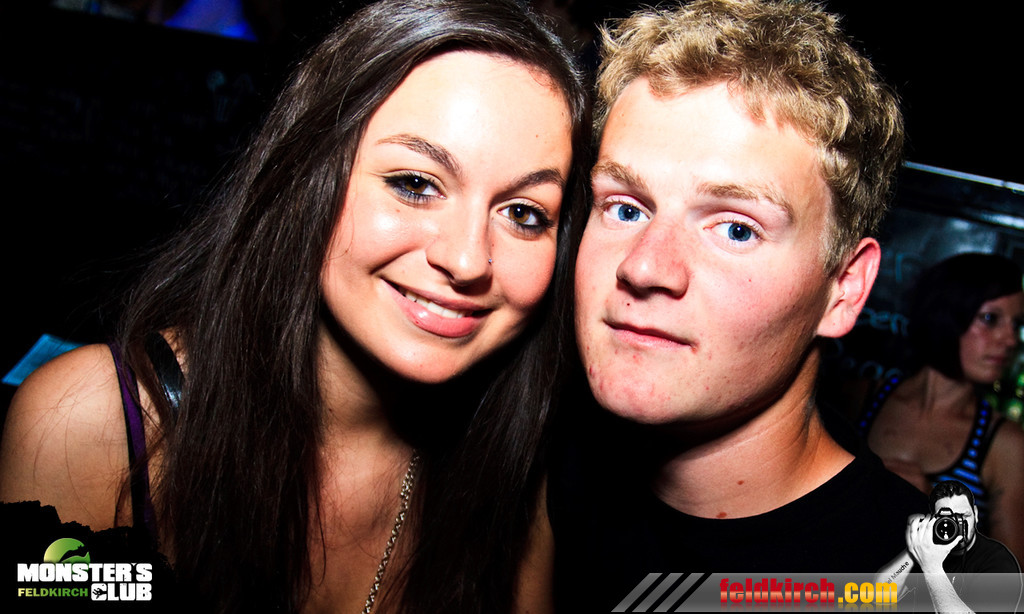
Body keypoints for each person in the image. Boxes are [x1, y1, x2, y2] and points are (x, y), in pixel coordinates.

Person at [0, 0, 589, 612]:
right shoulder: (91, 425)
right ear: (307, 175)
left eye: (524, 214)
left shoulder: (520, 463)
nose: (467, 260)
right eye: (415, 184)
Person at [548, 0, 926, 608]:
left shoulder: (924, 585)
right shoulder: (543, 476)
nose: (643, 267)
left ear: (844, 289)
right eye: (625, 208)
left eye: (735, 229)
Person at [858, 252, 1024, 563]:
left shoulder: (1003, 443)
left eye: (1016, 325)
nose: (1011, 339)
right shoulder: (860, 397)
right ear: (948, 315)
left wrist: (938, 516)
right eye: (991, 319)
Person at [876, 480, 1022, 612]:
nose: (956, 525)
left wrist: (932, 568)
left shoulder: (998, 560)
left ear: (976, 514)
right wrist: (914, 550)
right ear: (933, 520)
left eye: (963, 516)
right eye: (947, 519)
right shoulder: (925, 553)